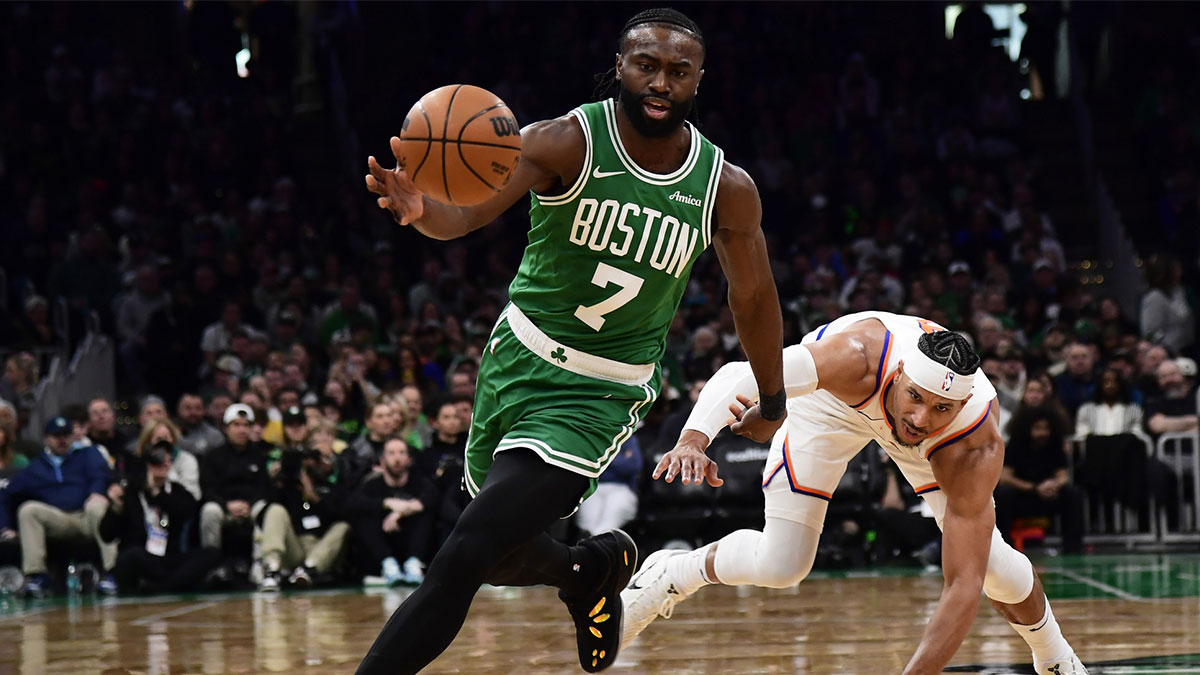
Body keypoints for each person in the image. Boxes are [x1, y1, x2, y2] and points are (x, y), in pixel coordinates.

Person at [359, 8, 786, 673]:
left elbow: (753, 298)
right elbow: (470, 210)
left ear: (698, 80)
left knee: (463, 553)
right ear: (620, 65)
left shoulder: (724, 189)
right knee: (500, 554)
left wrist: (774, 396)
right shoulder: (564, 142)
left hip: (598, 393)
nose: (660, 82)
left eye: (679, 71)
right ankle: (589, 570)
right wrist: (423, 212)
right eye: (646, 64)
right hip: (515, 363)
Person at [621, 312, 1087, 675]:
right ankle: (672, 573)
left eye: (942, 407)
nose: (922, 417)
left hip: (921, 446)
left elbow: (962, 585)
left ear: (963, 405)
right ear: (901, 373)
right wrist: (694, 439)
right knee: (783, 565)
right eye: (917, 397)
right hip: (831, 406)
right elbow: (735, 374)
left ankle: (1055, 657)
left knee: (994, 567)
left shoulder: (973, 441)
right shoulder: (857, 356)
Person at [0, 417, 117, 597]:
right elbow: (7, 495)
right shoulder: (36, 467)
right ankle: (37, 576)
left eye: (66, 435)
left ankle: (112, 572)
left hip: (87, 516)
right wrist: (7, 527)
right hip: (58, 520)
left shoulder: (88, 454)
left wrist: (96, 492)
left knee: (98, 505)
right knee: (29, 510)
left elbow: (102, 475)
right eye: (57, 436)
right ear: (46, 438)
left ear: (72, 436)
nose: (62, 440)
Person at [99, 442, 220, 594]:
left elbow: (185, 512)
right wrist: (115, 508)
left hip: (169, 558)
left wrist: (157, 493)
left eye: (167, 458)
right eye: (157, 458)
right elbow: (107, 535)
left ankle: (161, 588)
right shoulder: (131, 492)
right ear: (146, 463)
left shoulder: (177, 491)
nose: (164, 462)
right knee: (130, 556)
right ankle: (176, 585)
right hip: (142, 555)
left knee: (211, 553)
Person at [345, 437, 438, 587]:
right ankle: (388, 565)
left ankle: (413, 565)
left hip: (411, 542)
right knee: (364, 517)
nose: (397, 458)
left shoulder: (419, 482)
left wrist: (398, 513)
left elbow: (432, 498)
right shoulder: (372, 485)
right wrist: (386, 503)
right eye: (392, 453)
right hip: (382, 545)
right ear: (382, 460)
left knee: (425, 514)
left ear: (409, 459)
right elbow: (352, 504)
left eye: (402, 453)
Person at [996, 406, 1085, 553]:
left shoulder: (1054, 444)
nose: (1042, 433)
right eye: (1037, 428)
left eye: (1046, 429)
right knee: (1003, 495)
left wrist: (1054, 485)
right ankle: (1005, 546)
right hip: (1023, 495)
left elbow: (1063, 475)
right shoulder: (1016, 444)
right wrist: (1034, 488)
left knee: (1073, 494)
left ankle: (1073, 546)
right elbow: (1005, 477)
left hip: (1048, 495)